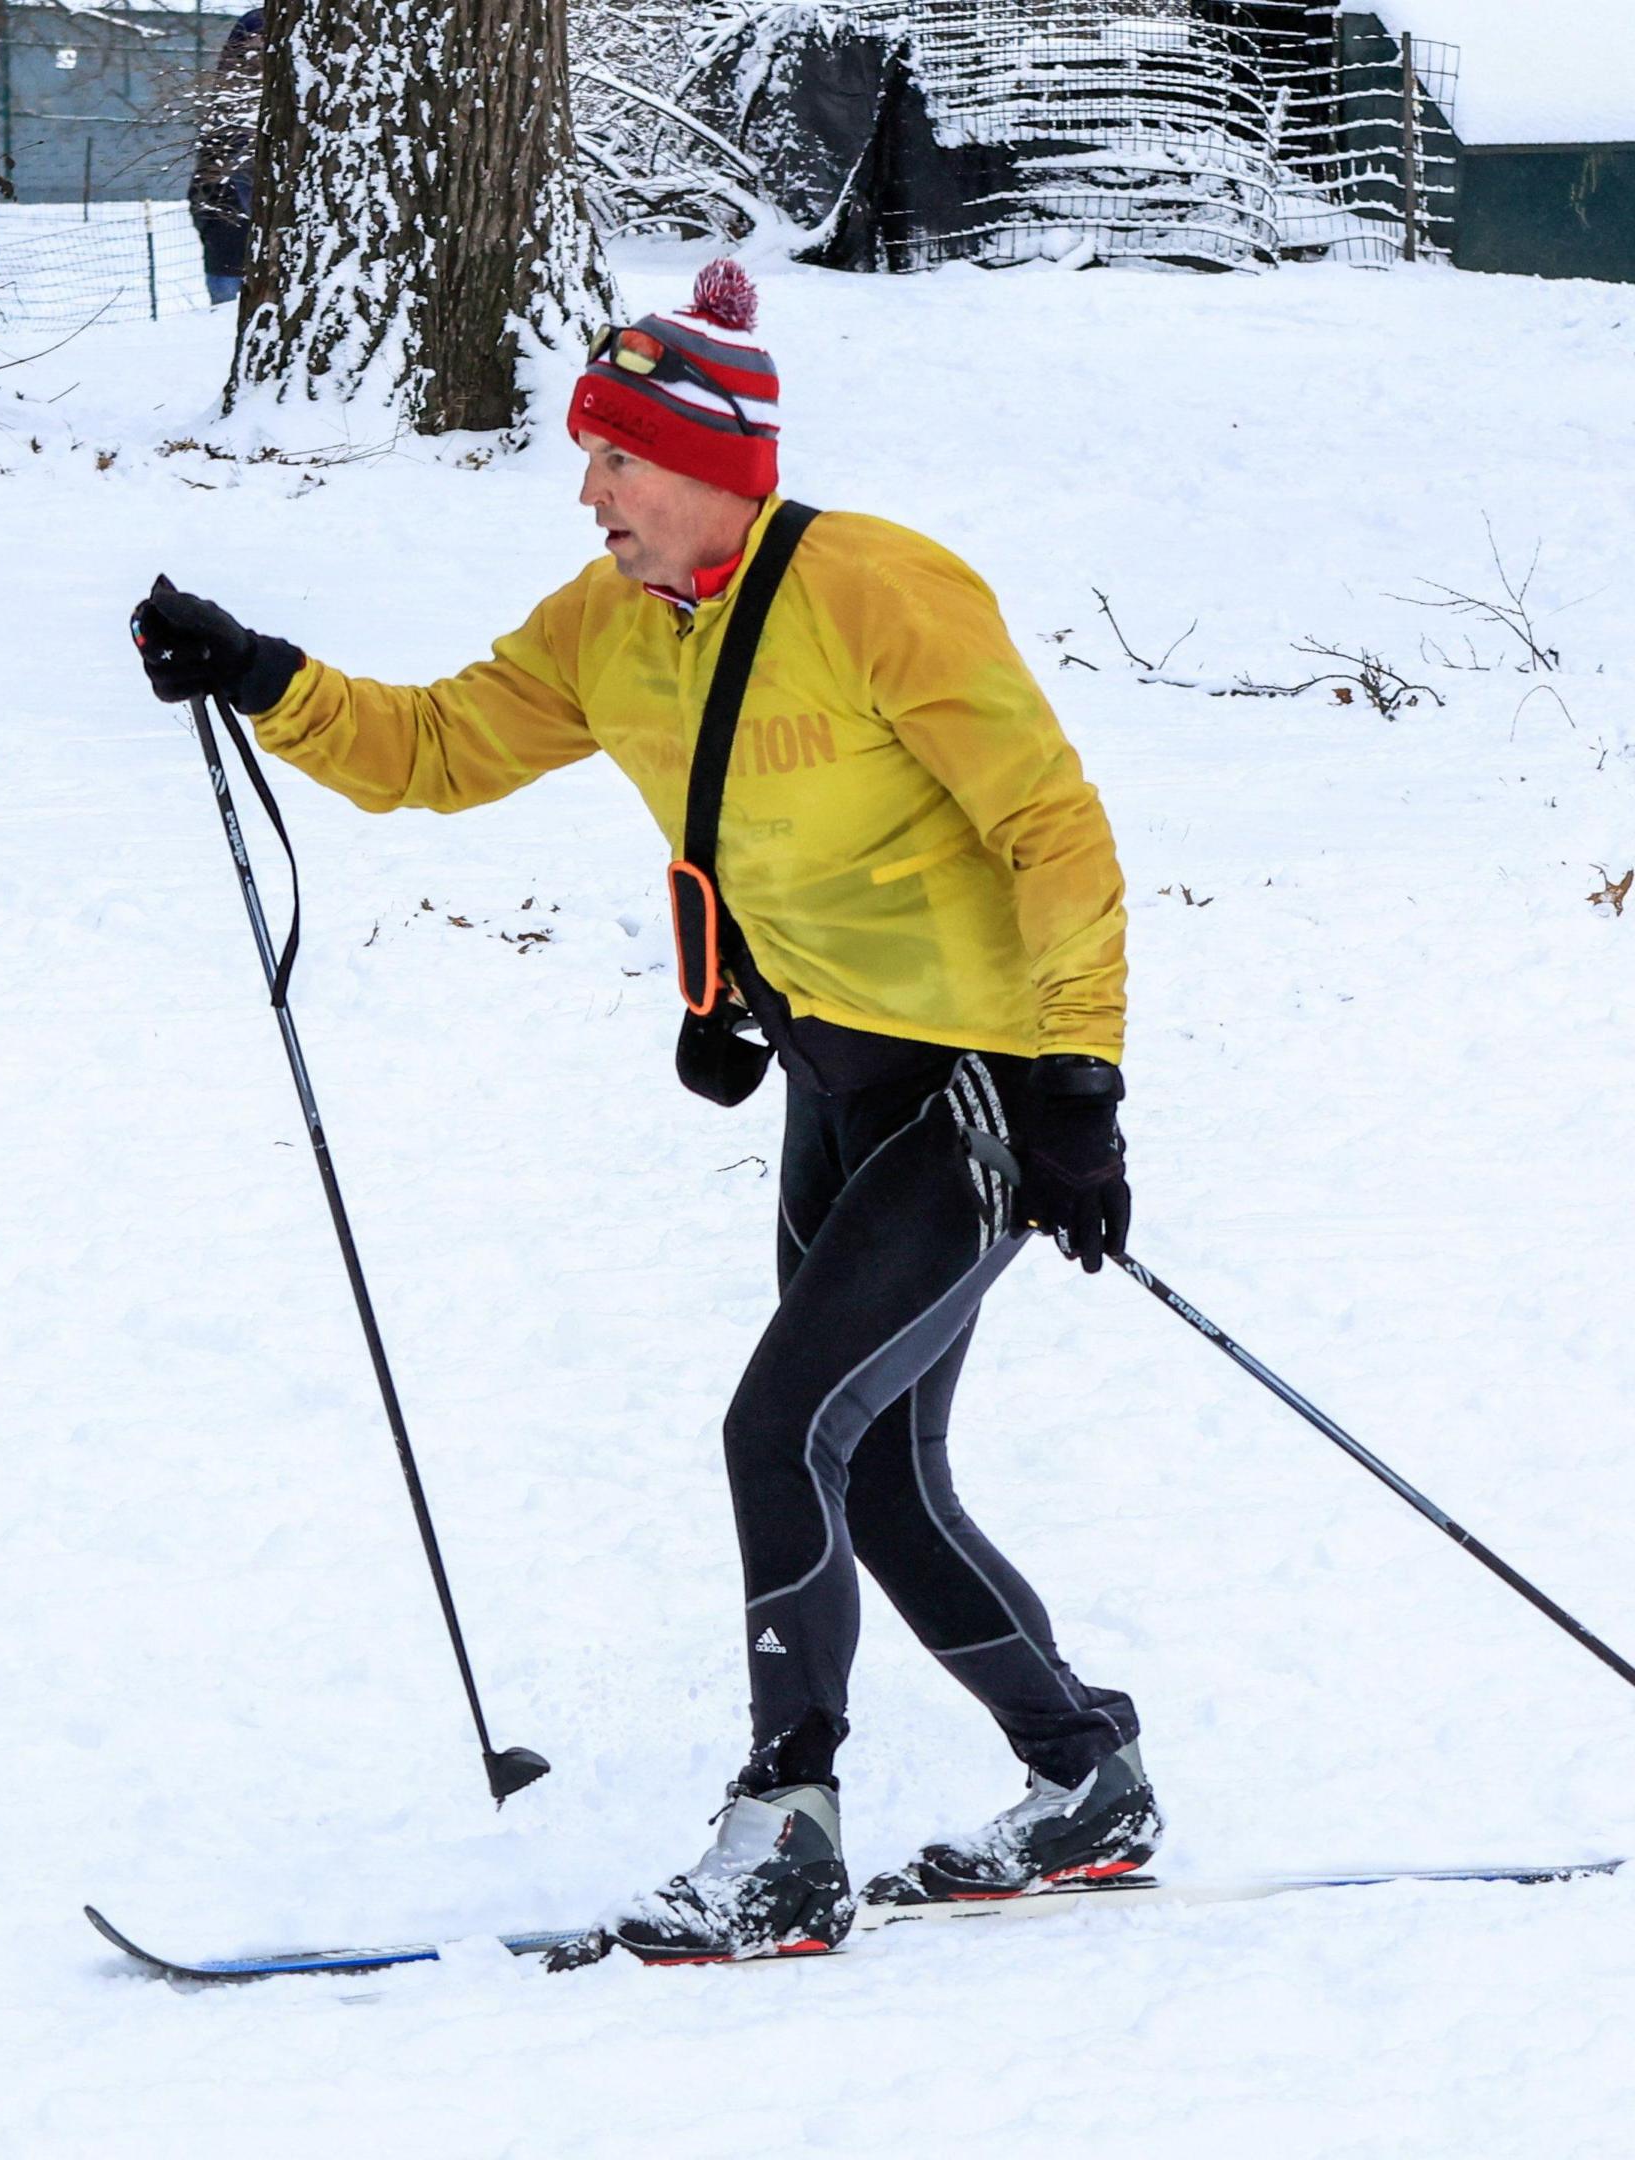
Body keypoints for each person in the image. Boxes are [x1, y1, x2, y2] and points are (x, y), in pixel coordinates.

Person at [127, 260, 1154, 1965]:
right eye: (589, 457)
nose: (587, 490)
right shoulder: (606, 626)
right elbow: (440, 748)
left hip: (978, 1088)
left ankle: (788, 1824)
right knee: (872, 1474)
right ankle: (1083, 1777)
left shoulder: (886, 592)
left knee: (780, 1434)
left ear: (704, 466)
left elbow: (1056, 832)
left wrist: (1078, 1089)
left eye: (613, 457)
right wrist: (258, 672)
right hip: (833, 1082)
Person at [186, 10, 263, 307]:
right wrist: (211, 223)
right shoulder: (226, 108)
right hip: (226, 252)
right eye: (254, 44)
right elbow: (204, 181)